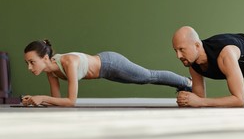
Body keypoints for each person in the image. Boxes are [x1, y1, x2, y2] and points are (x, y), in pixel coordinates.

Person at [22, 40, 192, 107]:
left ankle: (187, 82)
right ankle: (185, 83)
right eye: (27, 63)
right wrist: (34, 100)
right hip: (106, 72)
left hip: (111, 63)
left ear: (45, 58)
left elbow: (71, 101)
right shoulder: (50, 72)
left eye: (32, 62)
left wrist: (42, 98)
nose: (29, 67)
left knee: (148, 76)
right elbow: (58, 102)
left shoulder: (68, 62)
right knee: (143, 79)